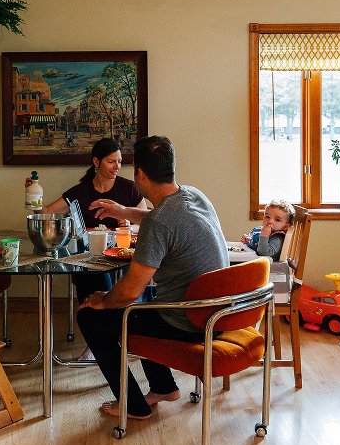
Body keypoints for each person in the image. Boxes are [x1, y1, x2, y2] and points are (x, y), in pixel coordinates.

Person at [77, 135, 229, 420]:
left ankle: (133, 405)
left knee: (91, 317)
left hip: (188, 320)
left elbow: (129, 292)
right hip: (218, 313)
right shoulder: (193, 195)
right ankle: (163, 387)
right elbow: (160, 219)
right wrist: (124, 212)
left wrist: (104, 300)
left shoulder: (159, 221)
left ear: (141, 175)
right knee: (146, 302)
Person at [26, 138, 149, 360]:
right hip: (90, 257)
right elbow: (46, 213)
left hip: (123, 254)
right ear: (96, 162)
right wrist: (33, 196)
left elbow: (147, 221)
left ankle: (108, 338)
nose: (117, 167)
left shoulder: (128, 188)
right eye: (111, 161)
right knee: (88, 276)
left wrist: (128, 224)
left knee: (106, 279)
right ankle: (97, 340)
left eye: (120, 162)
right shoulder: (80, 191)